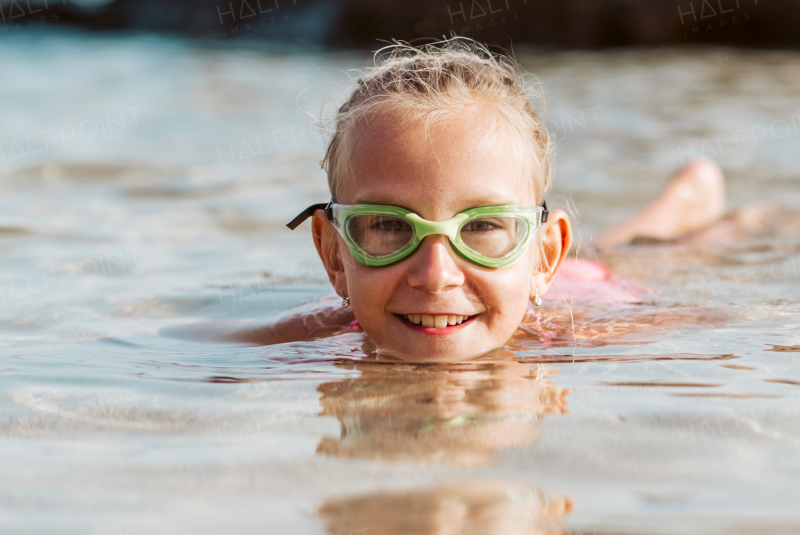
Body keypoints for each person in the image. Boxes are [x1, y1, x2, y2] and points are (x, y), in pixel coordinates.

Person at [228, 39, 733, 361]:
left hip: (585, 285)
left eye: (482, 226)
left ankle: (687, 194)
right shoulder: (318, 332)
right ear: (334, 255)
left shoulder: (582, 333)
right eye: (388, 226)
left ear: (544, 256)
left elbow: (720, 322)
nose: (435, 275)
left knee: (636, 249)